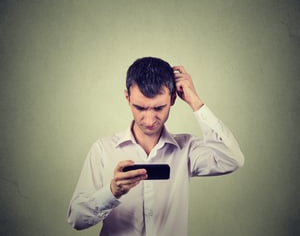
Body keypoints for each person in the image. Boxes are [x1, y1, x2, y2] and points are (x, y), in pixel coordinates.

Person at [67, 57, 244, 236]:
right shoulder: (103, 150)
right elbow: (76, 219)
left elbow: (232, 159)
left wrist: (195, 101)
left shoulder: (187, 148)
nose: (150, 120)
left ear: (173, 98)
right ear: (127, 98)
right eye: (140, 108)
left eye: (159, 108)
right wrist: (112, 192)